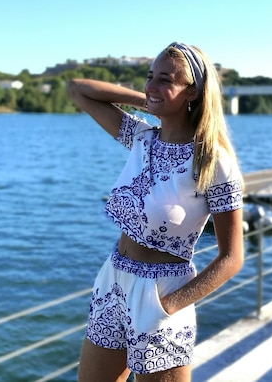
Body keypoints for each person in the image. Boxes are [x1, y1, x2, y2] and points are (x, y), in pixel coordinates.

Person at [68, 42, 244, 382]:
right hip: (113, 281)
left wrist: (169, 306)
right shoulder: (141, 137)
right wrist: (149, 98)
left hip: (162, 292)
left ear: (193, 91)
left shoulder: (213, 162)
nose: (152, 85)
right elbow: (79, 90)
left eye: (166, 79)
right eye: (150, 76)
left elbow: (232, 258)